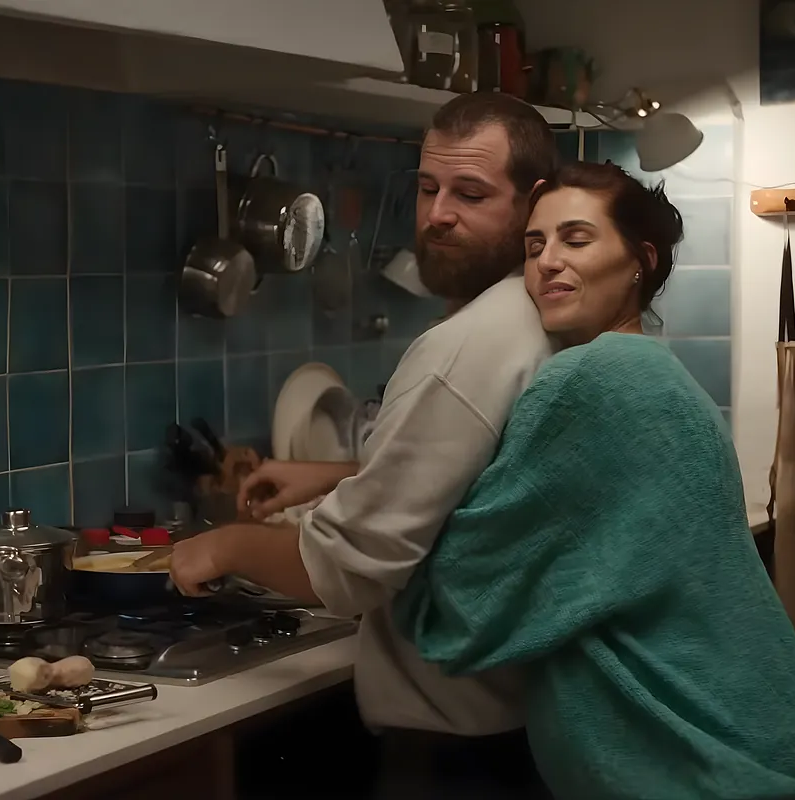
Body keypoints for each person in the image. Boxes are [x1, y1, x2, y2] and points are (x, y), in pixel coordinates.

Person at [390, 161, 795, 799]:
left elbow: (465, 596)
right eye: (534, 246)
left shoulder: (590, 381)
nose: (547, 262)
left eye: (576, 239)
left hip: (693, 774)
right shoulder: (661, 375)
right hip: (751, 751)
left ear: (640, 261)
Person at [169, 92, 559, 798]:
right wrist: (340, 473)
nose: (438, 214)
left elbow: (349, 570)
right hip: (520, 730)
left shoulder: (469, 345)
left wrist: (223, 546)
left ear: (534, 204)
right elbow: (488, 479)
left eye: (471, 194)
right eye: (429, 188)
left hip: (460, 753)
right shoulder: (539, 312)